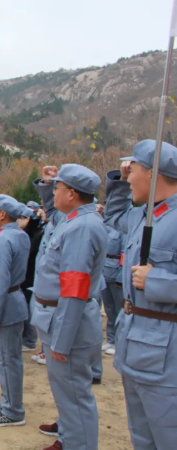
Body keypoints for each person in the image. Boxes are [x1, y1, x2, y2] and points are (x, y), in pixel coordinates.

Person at [105, 140, 177, 450]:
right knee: (142, 437)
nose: (129, 177)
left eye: (132, 171)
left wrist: (158, 280)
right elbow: (112, 217)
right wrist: (119, 182)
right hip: (134, 345)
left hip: (165, 354)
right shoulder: (142, 216)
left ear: (152, 173)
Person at [32, 164, 106, 450]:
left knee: (75, 399)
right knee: (69, 398)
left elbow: (74, 290)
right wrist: (48, 182)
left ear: (72, 194)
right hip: (59, 320)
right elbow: (52, 210)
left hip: (68, 327)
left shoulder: (81, 227)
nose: (54, 193)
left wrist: (62, 340)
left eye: (58, 188)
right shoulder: (73, 219)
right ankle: (70, 439)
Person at [0, 195, 30, 427]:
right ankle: (9, 402)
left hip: (4, 305)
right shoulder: (18, 234)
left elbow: (0, 279)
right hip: (13, 300)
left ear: (2, 214)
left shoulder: (3, 239)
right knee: (9, 359)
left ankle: (12, 411)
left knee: (6, 360)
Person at [97, 203, 126, 357]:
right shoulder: (104, 227)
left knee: (119, 309)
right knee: (109, 308)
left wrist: (121, 276)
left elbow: (124, 253)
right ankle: (111, 338)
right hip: (104, 271)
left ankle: (120, 342)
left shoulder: (122, 230)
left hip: (116, 272)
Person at [18, 204, 42, 352]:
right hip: (26, 274)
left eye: (19, 218)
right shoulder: (26, 233)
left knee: (27, 306)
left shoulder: (32, 234)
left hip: (30, 275)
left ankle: (29, 339)